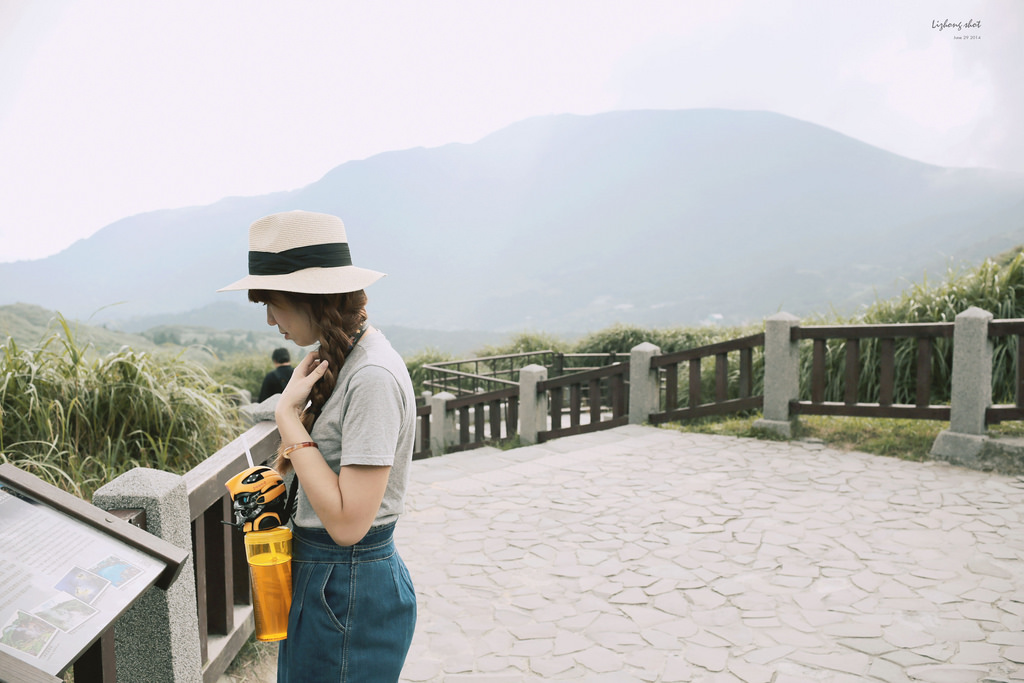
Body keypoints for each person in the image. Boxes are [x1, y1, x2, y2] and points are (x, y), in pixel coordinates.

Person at [218, 210, 416, 682]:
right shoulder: (338, 360)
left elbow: (349, 523)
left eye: (273, 303)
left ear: (312, 297)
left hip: (346, 583)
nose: (269, 320)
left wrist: (288, 419)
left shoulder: (370, 376)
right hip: (329, 581)